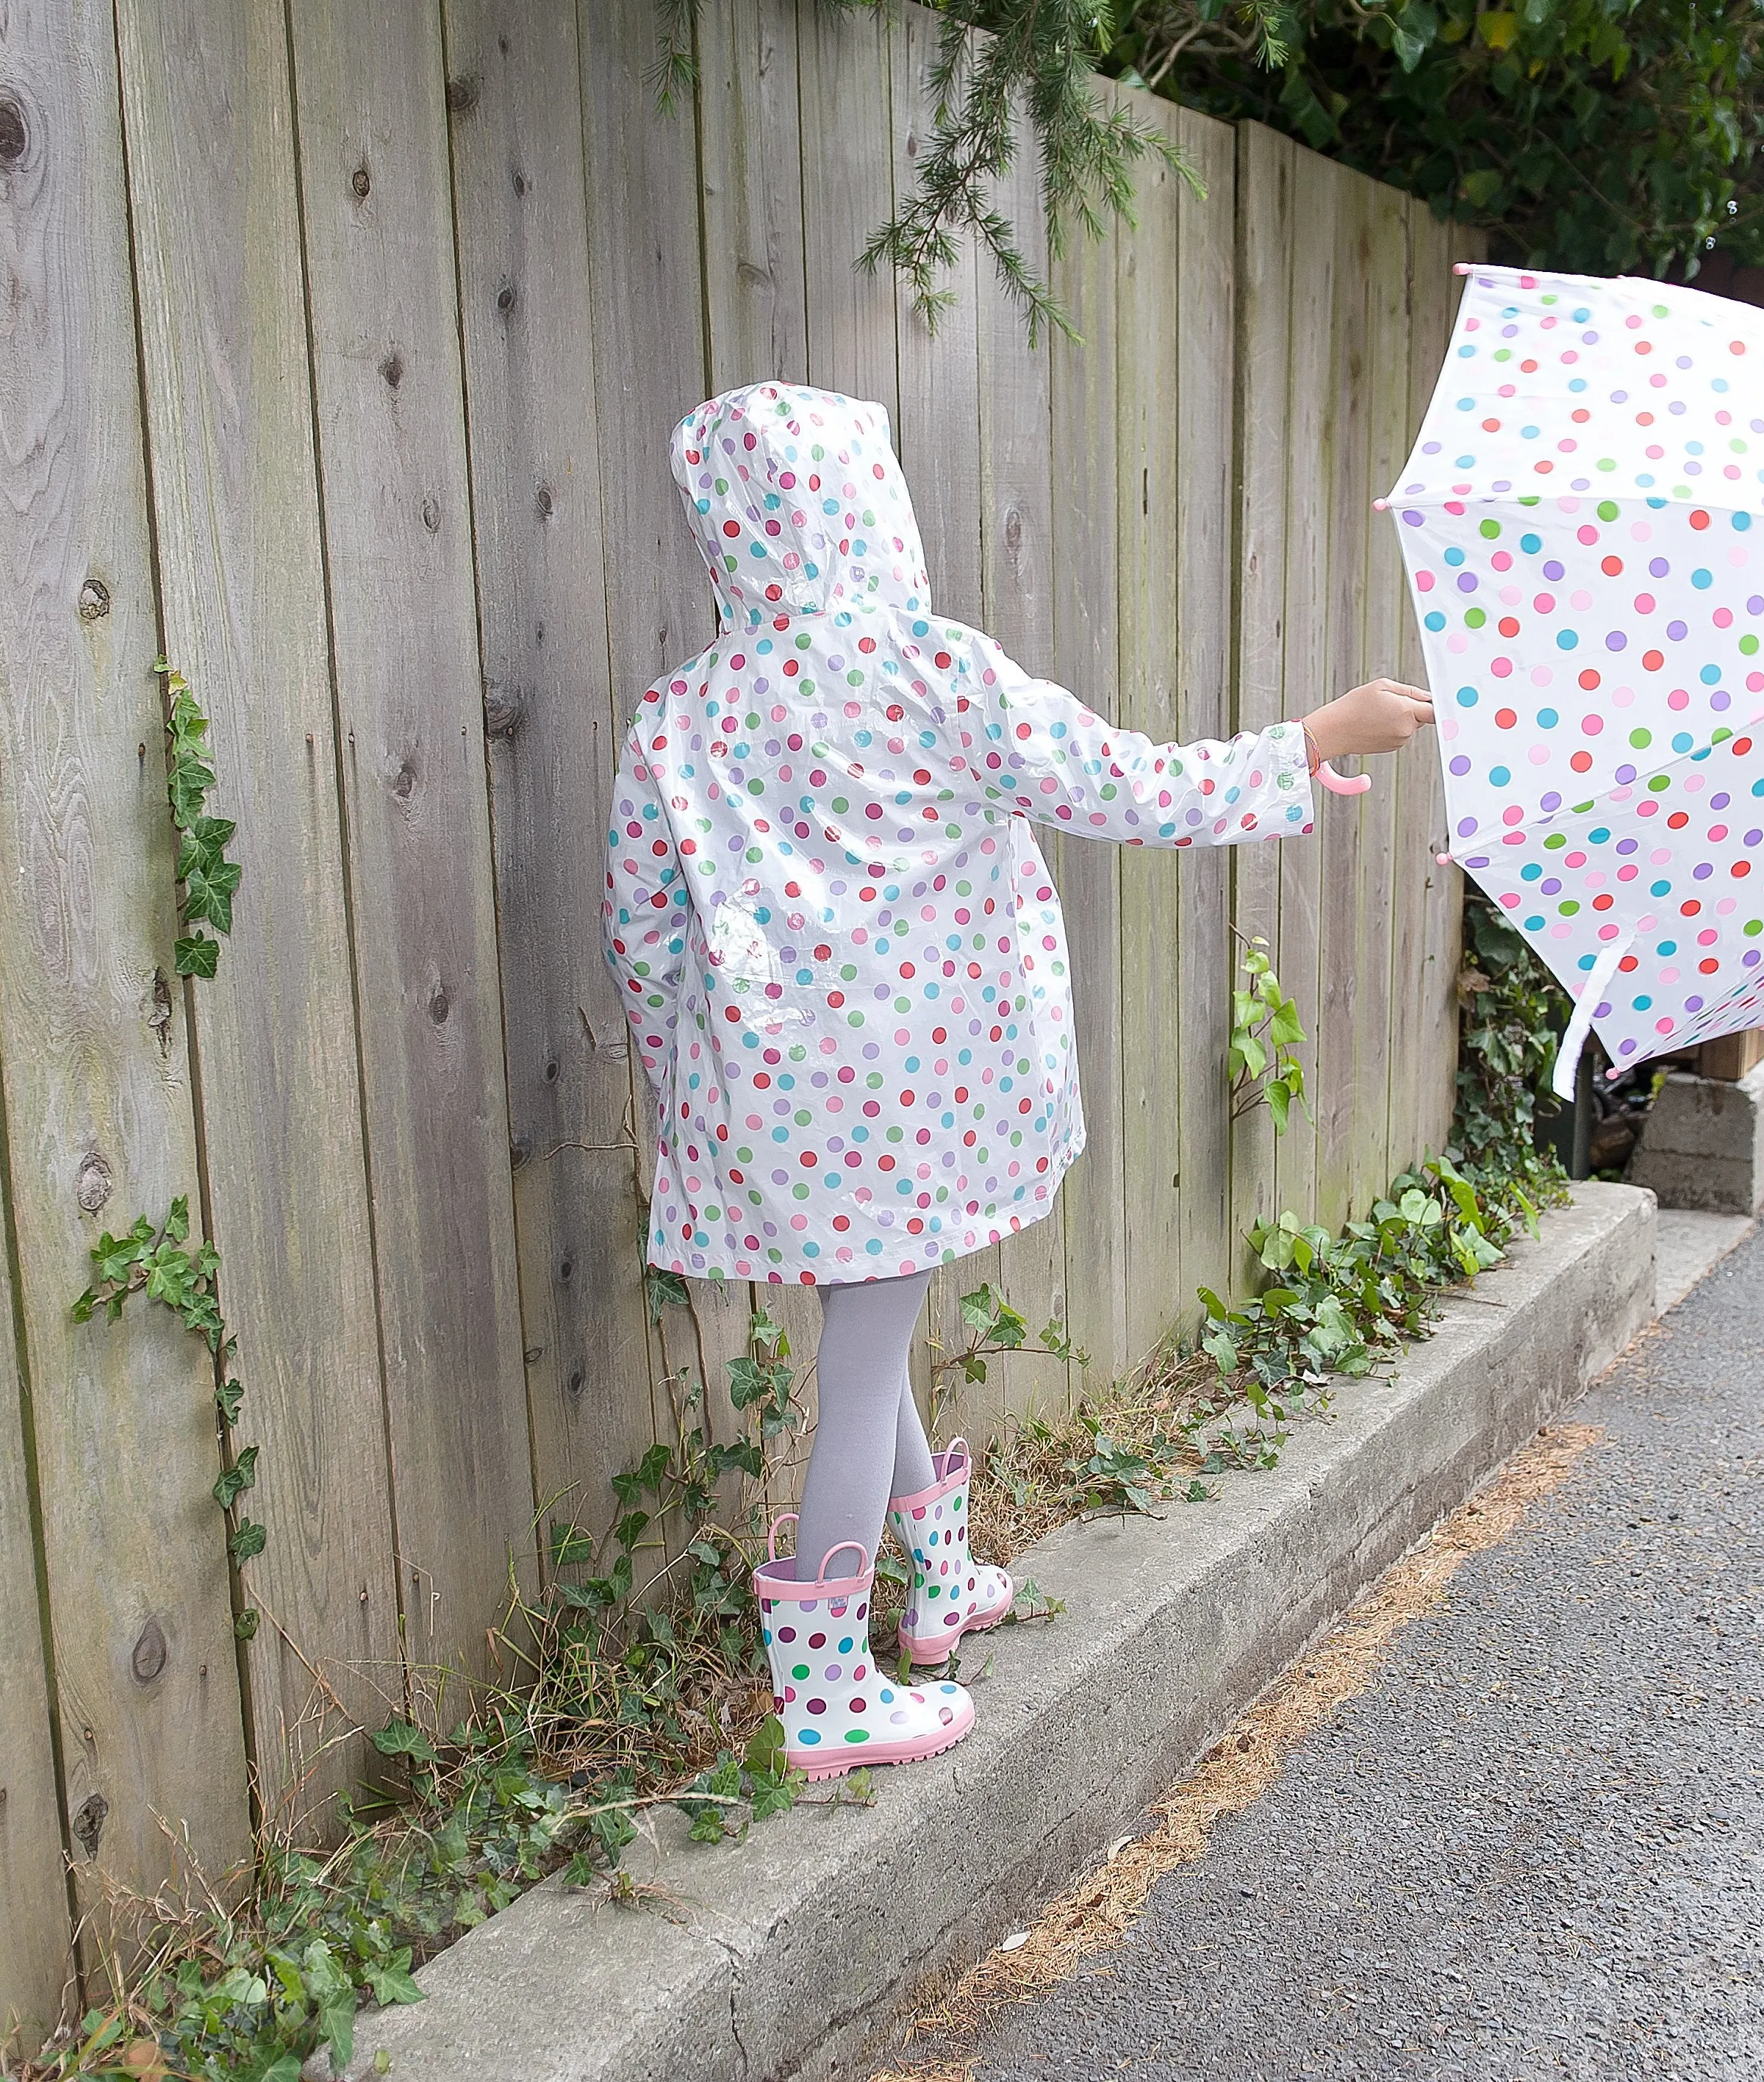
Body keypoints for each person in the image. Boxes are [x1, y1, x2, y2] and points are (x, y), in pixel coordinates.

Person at [602, 384, 1433, 1778]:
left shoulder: (682, 719)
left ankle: (937, 1591)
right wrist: (1314, 738)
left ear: (731, 534)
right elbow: (1135, 787)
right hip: (918, 1089)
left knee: (873, 1319)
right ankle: (823, 1693)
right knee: (866, 1357)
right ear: (873, 508)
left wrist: (688, 1073)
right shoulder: (938, 676)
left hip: (779, 1102)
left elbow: (639, 926)